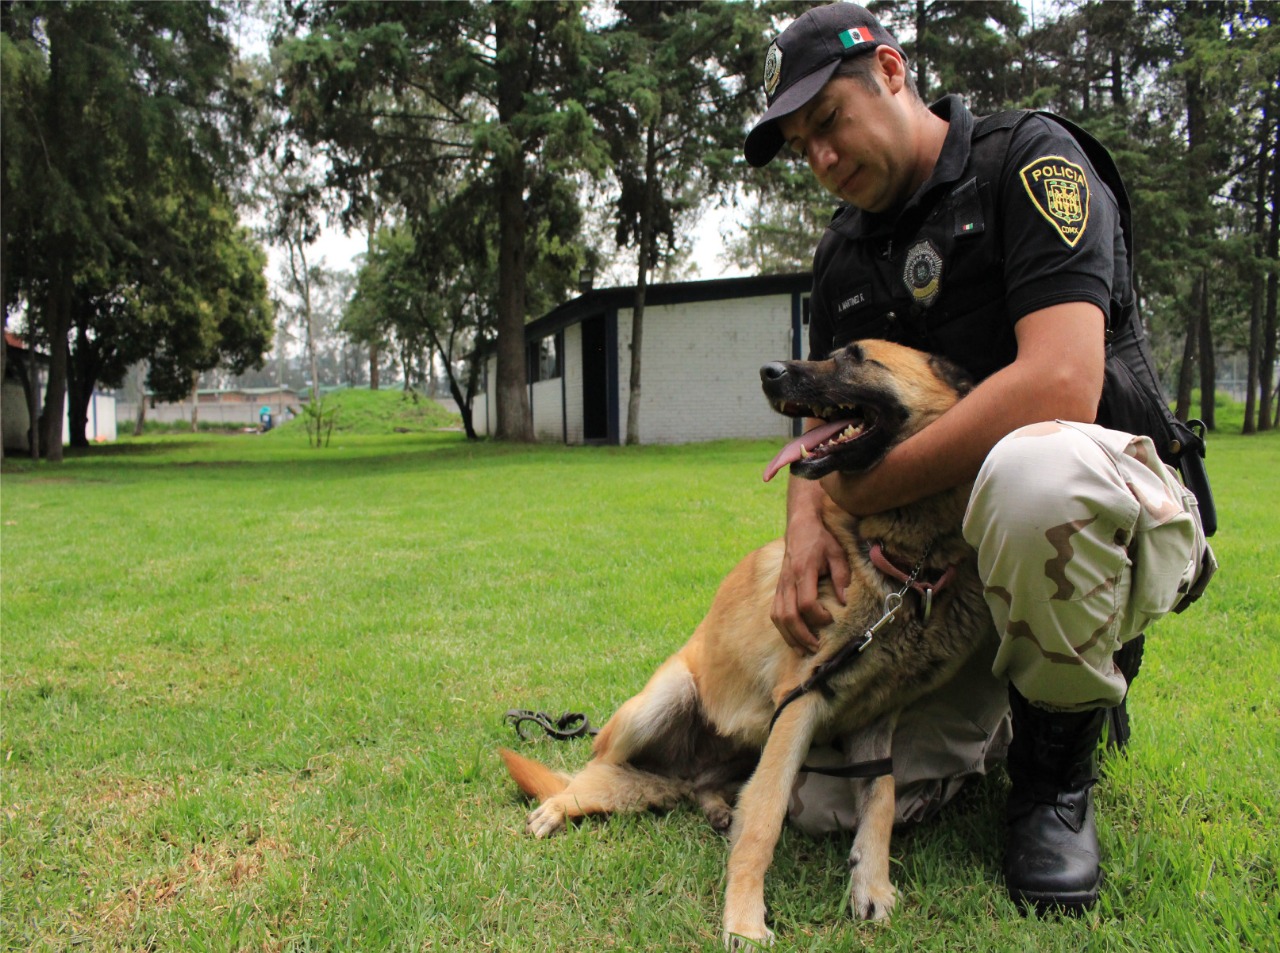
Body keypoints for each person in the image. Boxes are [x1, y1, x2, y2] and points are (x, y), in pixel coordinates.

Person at [743, 2, 1216, 914]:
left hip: (1101, 511)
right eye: (803, 146)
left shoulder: (1025, 164)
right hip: (949, 572)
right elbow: (821, 407)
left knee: (1031, 472)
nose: (823, 159)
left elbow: (1061, 382)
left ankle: (1055, 773)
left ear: (889, 72)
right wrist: (805, 516)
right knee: (817, 801)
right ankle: (1007, 704)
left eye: (829, 123)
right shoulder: (842, 254)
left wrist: (868, 484)